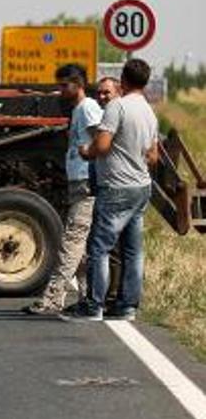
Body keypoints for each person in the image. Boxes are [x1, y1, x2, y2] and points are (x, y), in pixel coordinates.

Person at [64, 58, 160, 322]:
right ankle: (128, 307)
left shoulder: (117, 106)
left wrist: (86, 151)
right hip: (141, 187)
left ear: (124, 81)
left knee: (99, 248)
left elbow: (102, 145)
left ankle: (93, 306)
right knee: (133, 251)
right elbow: (153, 156)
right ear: (145, 81)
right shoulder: (149, 112)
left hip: (116, 186)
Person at [22, 63, 102, 316]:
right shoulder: (80, 109)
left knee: (72, 241)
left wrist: (89, 158)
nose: (60, 90)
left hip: (86, 180)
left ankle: (52, 298)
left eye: (64, 85)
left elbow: (101, 141)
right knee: (80, 246)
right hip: (79, 180)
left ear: (78, 84)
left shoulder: (88, 108)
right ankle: (87, 297)